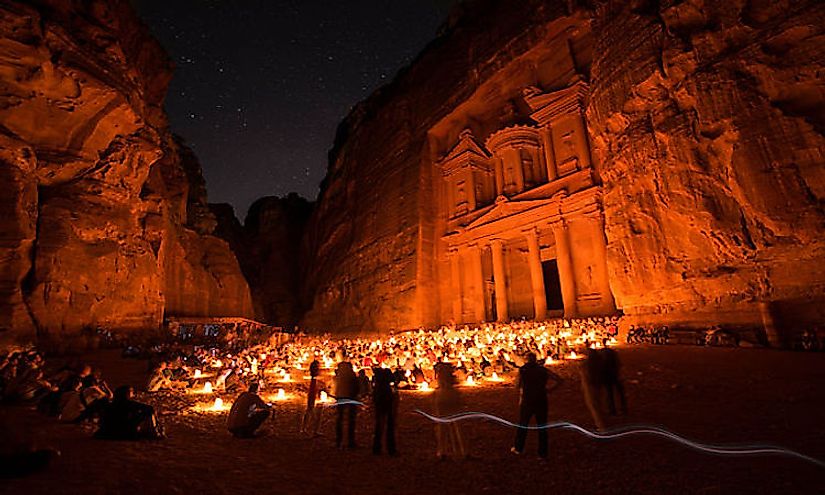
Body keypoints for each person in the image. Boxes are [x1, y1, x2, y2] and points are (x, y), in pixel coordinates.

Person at [512, 352, 563, 458]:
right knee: (542, 426)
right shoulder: (542, 370)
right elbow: (559, 379)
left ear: (526, 359)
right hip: (541, 400)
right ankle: (542, 452)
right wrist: (549, 390)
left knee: (523, 425)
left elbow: (517, 385)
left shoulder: (523, 370)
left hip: (527, 401)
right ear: (535, 360)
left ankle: (518, 448)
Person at [96, 386, 164, 440]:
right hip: (124, 432)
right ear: (126, 393)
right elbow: (150, 408)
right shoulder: (129, 404)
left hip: (106, 432)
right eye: (131, 391)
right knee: (148, 412)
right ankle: (154, 432)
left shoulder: (110, 404)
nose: (133, 393)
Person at [433, 362, 465, 459]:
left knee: (443, 427)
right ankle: (461, 451)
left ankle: (443, 451)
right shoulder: (451, 379)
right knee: (456, 426)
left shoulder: (440, 379)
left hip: (442, 398)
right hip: (450, 397)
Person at [333, 360, 359, 449]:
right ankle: (350, 441)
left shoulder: (338, 376)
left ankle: (338, 441)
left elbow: (335, 387)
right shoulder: (351, 375)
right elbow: (356, 386)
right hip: (350, 397)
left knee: (339, 419)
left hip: (340, 397)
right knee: (351, 419)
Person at [371, 367, 397, 455]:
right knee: (389, 426)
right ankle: (390, 448)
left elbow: (374, 398)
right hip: (387, 405)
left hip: (379, 405)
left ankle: (377, 447)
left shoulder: (377, 388)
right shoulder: (386, 388)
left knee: (379, 426)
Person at [599, 340, 626, 416]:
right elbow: (618, 363)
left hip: (607, 375)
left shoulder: (601, 353)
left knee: (609, 394)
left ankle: (612, 410)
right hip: (614, 374)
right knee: (620, 392)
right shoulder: (613, 352)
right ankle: (623, 408)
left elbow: (600, 365)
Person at [301, 360, 322, 436]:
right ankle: (311, 430)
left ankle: (305, 428)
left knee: (309, 411)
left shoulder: (314, 380)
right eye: (318, 368)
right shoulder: (313, 382)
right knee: (312, 412)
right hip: (312, 397)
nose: (319, 369)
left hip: (312, 396)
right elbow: (313, 391)